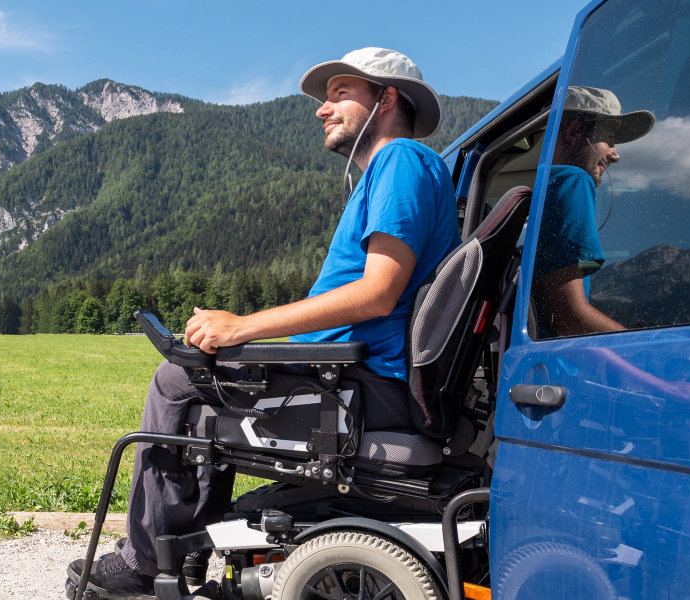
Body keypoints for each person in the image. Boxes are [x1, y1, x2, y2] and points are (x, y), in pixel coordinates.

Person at [69, 47, 458, 598]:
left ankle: (141, 565)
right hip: (353, 376)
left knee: (177, 382)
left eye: (340, 94)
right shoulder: (401, 170)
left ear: (386, 98)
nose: (323, 110)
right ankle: (179, 561)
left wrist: (244, 328)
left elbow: (377, 294)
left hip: (362, 384)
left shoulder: (402, 161)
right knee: (202, 387)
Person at [531, 86, 652, 337]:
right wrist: (642, 348)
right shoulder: (572, 179)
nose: (615, 155)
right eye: (609, 139)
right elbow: (568, 317)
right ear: (575, 132)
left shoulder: (544, 186)